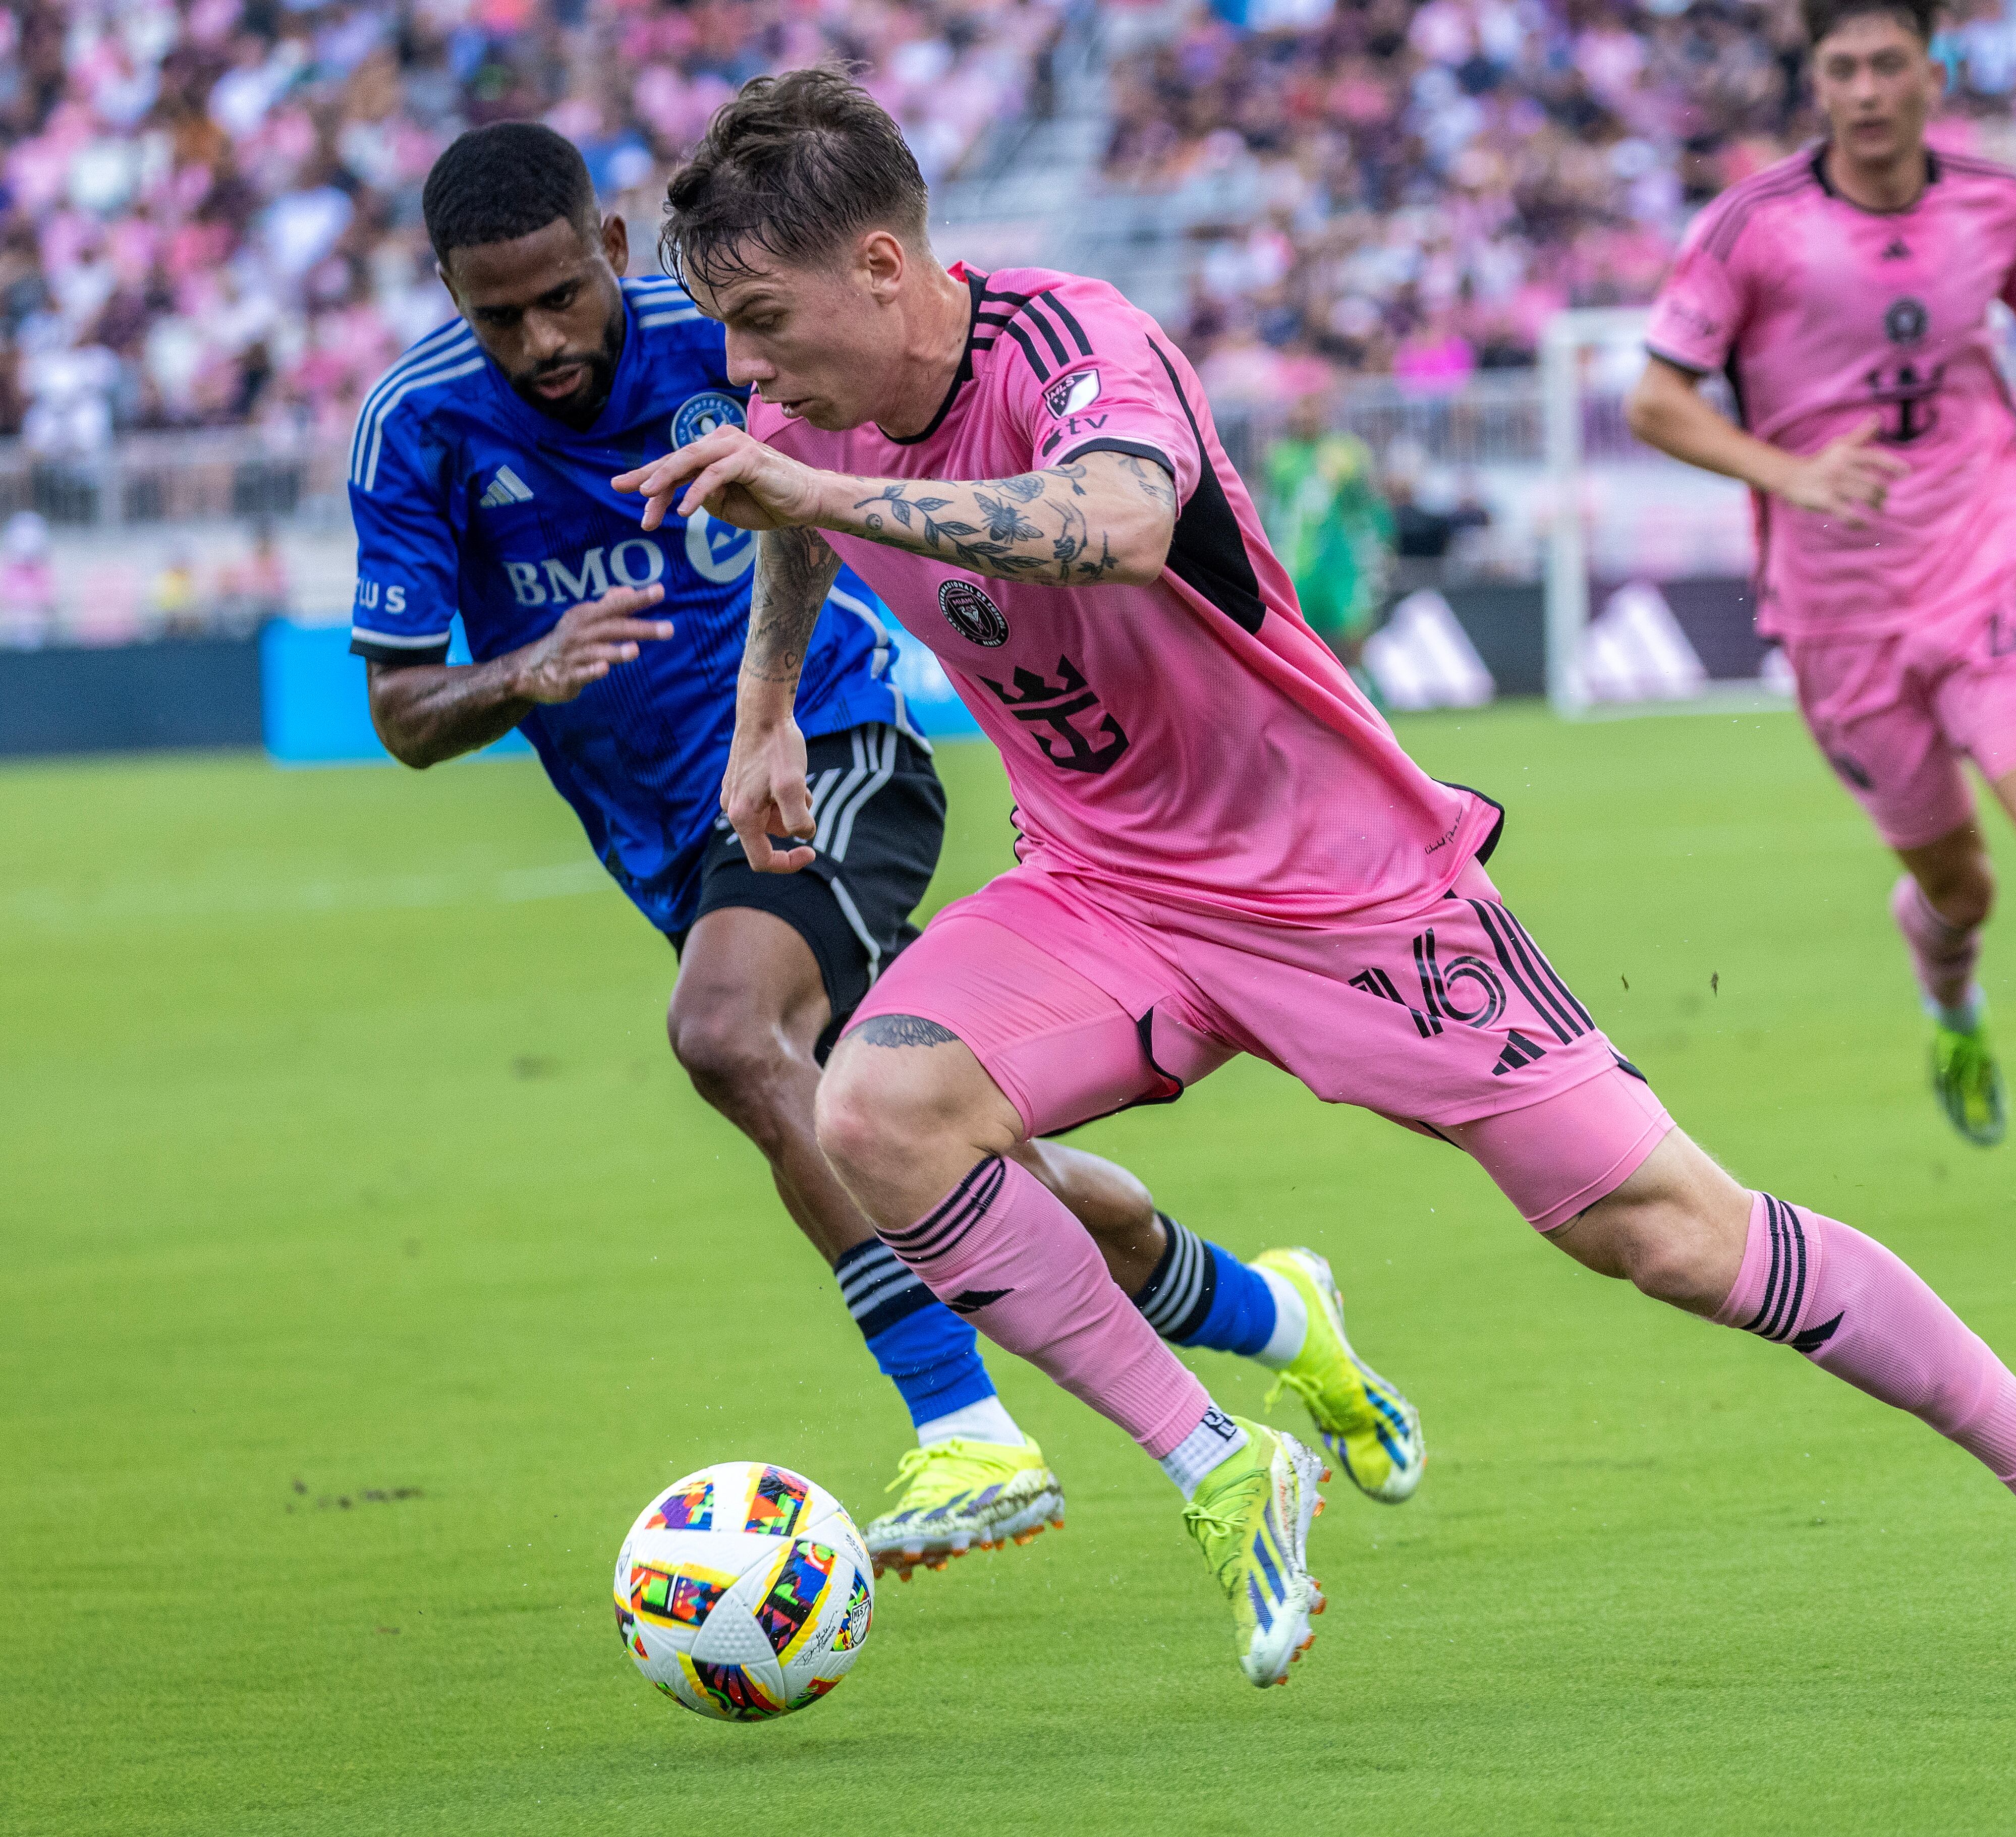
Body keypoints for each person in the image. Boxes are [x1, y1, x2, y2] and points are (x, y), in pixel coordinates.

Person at [616, 66, 2016, 1688]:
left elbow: (1111, 521)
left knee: (1673, 1234)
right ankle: (1220, 1463)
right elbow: (793, 521)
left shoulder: (1076, 343)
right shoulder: (801, 412)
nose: (743, 366)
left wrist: (819, 491)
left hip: (1351, 891)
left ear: (886, 269)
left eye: (762, 318)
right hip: (1104, 885)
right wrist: (766, 707)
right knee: (877, 1110)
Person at [347, 124, 1425, 1578]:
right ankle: (1284, 1319)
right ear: (447, 293)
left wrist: (774, 701)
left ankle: (962, 1421)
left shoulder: (733, 332)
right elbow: (406, 711)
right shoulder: (417, 428)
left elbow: (835, 478)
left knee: (727, 1034)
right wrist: (520, 672)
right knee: (982, 1180)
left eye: (561, 295)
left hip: (834, 756)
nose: (541, 339)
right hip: (670, 842)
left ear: (610, 245)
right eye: (497, 315)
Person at [1624, 0, 2016, 1233]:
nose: (1863, 89)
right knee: (1958, 883)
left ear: (1932, 72)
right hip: (1838, 605)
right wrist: (1787, 472)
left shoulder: (1998, 207)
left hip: (1987, 555)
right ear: (1816, 81)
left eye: (1885, 64)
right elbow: (1655, 402)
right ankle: (1949, 991)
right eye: (1840, 67)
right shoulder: (1752, 228)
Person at [1263, 385, 1392, 669]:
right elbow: (1272, 510)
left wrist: (1382, 541)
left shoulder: (1347, 451)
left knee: (1355, 628)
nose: (1304, 416)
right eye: (1300, 408)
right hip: (1297, 559)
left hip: (1343, 559)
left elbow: (1369, 500)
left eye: (1311, 408)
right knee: (1298, 631)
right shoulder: (1280, 457)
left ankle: (1363, 688)